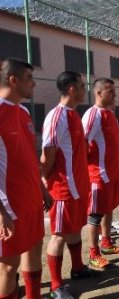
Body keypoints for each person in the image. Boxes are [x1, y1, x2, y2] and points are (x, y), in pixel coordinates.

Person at [41, 71, 100, 298]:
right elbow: (48, 155)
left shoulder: (74, 115)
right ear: (72, 89)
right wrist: (43, 184)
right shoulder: (56, 117)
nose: (85, 89)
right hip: (62, 188)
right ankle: (56, 286)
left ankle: (78, 269)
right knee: (59, 235)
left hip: (78, 186)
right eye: (82, 86)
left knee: (75, 229)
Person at [0, 58, 52, 299]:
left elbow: (29, 156)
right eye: (30, 78)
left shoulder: (22, 112)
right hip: (9, 206)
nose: (34, 84)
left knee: (34, 249)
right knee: (8, 267)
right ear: (14, 80)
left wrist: (42, 189)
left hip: (31, 198)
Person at [82, 78, 119, 270]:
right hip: (98, 174)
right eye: (110, 91)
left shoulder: (110, 114)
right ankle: (93, 254)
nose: (114, 94)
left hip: (113, 174)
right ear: (99, 93)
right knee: (95, 214)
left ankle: (106, 243)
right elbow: (81, 145)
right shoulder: (93, 115)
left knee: (109, 208)